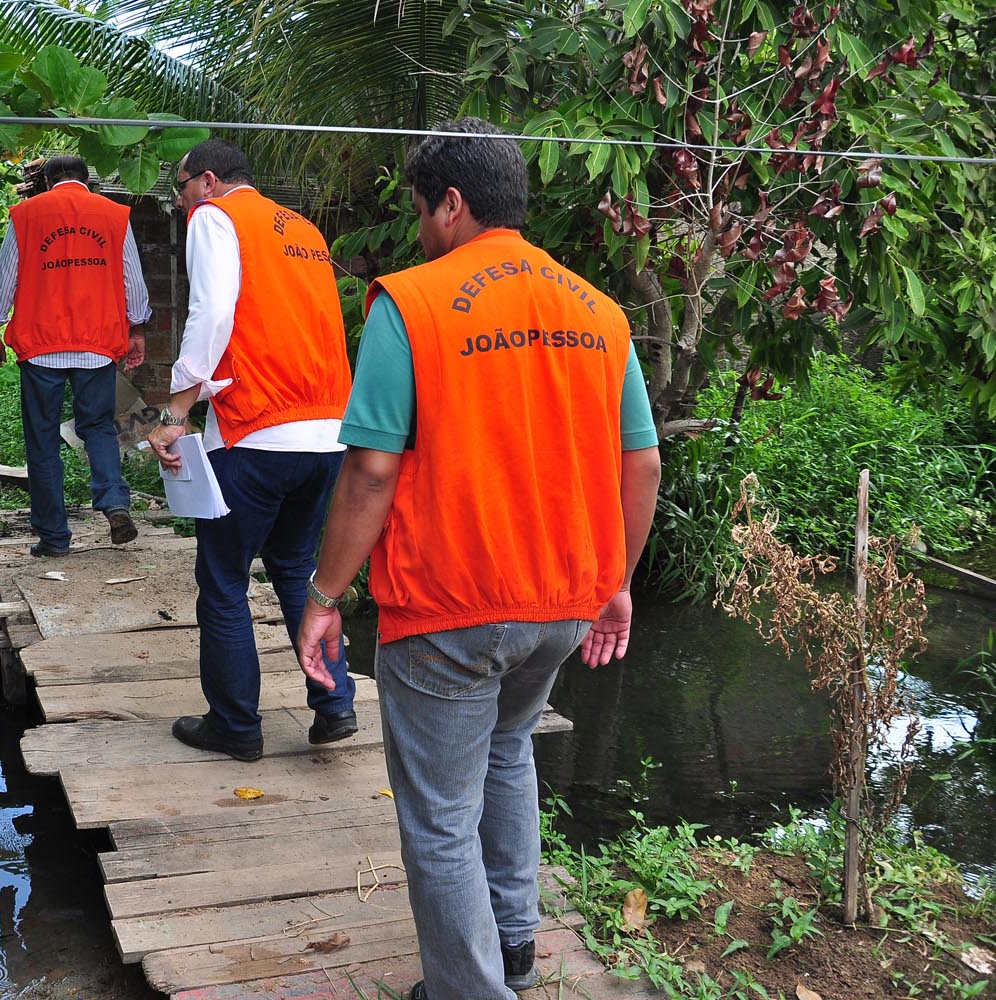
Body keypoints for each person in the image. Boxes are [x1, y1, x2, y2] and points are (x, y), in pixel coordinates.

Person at [295, 119, 662, 1000]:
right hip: (561, 607)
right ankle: (517, 948)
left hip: (449, 611)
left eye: (421, 210)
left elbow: (373, 468)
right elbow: (641, 463)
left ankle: (471, 990)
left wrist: (324, 593)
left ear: (451, 204)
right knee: (506, 755)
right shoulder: (599, 312)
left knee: (439, 818)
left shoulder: (410, 302)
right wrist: (612, 583)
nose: (420, 229)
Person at [146, 138, 358, 762]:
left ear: (207, 181)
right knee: (298, 569)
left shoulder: (217, 217)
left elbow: (212, 314)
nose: (182, 202)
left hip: (258, 431)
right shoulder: (302, 228)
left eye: (182, 188)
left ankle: (235, 726)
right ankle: (335, 704)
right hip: (327, 431)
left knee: (223, 581)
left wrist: (177, 410)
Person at [0, 154, 150, 556]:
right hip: (97, 345)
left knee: (42, 440)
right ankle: (113, 503)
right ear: (87, 179)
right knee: (99, 428)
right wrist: (138, 328)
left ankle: (55, 538)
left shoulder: (26, 215)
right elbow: (133, 276)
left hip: (41, 347)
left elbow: (7, 276)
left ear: (45, 180)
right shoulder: (113, 215)